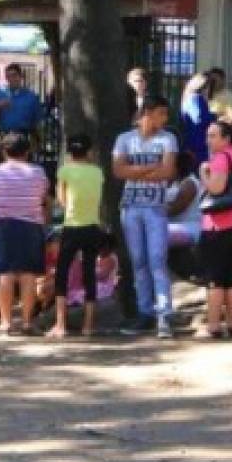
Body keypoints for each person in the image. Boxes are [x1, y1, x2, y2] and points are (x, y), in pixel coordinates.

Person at [113, 95, 178, 338]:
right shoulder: (124, 139)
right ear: (147, 113)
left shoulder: (168, 139)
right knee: (138, 260)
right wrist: (152, 169)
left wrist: (135, 172)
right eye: (161, 113)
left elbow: (168, 171)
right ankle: (145, 312)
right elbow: (118, 170)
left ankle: (164, 313)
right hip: (130, 206)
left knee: (157, 259)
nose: (165, 119)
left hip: (156, 207)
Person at [0, 133, 50, 335]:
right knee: (28, 275)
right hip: (31, 226)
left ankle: (6, 322)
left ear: (3, 151)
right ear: (27, 151)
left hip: (2, 226)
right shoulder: (38, 172)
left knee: (5, 274)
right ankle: (27, 322)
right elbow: (43, 198)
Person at [198, 121, 232, 339]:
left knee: (215, 277)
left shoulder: (220, 158)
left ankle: (213, 325)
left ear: (226, 139)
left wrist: (203, 173)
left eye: (213, 136)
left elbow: (216, 188)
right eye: (208, 135)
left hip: (218, 225)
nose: (208, 140)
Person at [51, 133, 105, 338]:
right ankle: (89, 325)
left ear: (70, 152)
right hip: (92, 226)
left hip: (72, 226)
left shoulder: (65, 171)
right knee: (89, 272)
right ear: (89, 151)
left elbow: (62, 201)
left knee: (62, 273)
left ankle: (60, 325)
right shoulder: (97, 172)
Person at [0, 62, 44, 137]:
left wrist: (37, 141)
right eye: (8, 76)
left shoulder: (31, 96)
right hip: (3, 136)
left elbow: (38, 121)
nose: (11, 79)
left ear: (20, 76)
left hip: (24, 137)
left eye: (14, 75)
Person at [165, 150, 203, 249]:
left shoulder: (189, 184)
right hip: (173, 226)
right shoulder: (174, 183)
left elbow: (174, 210)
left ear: (177, 167)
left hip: (190, 228)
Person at [179, 72, 215, 164]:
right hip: (199, 142)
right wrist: (215, 116)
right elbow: (199, 119)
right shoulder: (196, 99)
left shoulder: (187, 98)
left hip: (191, 140)